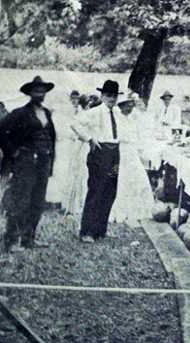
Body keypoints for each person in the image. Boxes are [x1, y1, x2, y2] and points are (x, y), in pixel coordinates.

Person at [0, 76, 56, 251]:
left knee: (37, 201)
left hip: (43, 162)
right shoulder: (20, 113)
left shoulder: (47, 113)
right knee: (21, 200)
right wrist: (13, 151)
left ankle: (28, 239)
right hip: (26, 162)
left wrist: (50, 163)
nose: (39, 94)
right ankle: (10, 240)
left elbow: (51, 138)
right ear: (30, 93)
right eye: (36, 90)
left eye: (42, 91)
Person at [71, 80, 124, 243]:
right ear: (102, 95)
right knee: (96, 190)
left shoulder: (116, 112)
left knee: (110, 191)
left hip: (114, 152)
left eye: (114, 96)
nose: (112, 99)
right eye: (108, 95)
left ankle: (100, 230)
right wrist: (89, 138)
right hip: (100, 153)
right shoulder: (95, 111)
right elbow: (75, 123)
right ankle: (86, 231)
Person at [109, 94, 154, 227]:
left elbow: (137, 135)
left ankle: (139, 210)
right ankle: (121, 210)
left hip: (132, 152)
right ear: (121, 107)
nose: (130, 108)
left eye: (131, 105)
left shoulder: (131, 119)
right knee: (123, 180)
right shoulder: (117, 119)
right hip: (122, 151)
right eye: (127, 106)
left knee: (139, 178)